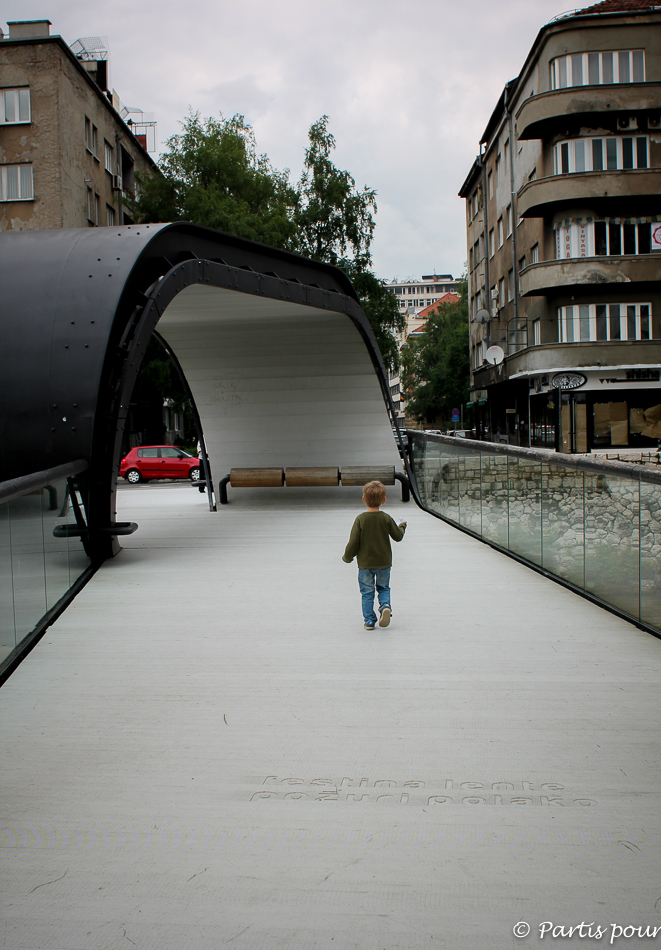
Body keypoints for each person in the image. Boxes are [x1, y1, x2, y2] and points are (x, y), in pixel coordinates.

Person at [342, 480, 407, 630]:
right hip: (384, 563)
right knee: (384, 587)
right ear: (383, 500)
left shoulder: (360, 520)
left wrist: (348, 556)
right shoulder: (385, 518)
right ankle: (385, 606)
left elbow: (354, 542)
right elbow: (397, 537)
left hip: (365, 564)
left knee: (367, 592)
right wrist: (402, 526)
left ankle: (370, 621)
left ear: (364, 499)